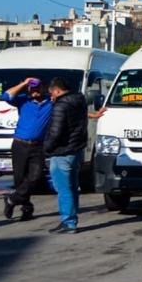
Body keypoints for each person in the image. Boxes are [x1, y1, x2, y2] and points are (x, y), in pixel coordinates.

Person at [1, 76, 52, 221]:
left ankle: (11, 199)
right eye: (32, 89)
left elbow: (68, 109)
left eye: (37, 89)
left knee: (35, 177)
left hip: (38, 145)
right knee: (20, 179)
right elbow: (6, 95)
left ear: (43, 88)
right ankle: (27, 209)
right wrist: (23, 83)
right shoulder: (23, 100)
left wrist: (92, 115)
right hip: (20, 144)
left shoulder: (50, 102)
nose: (34, 92)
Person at [43, 76, 88, 234]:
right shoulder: (79, 101)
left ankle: (68, 221)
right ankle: (71, 218)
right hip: (75, 149)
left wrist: (46, 148)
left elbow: (56, 132)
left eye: (52, 94)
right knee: (72, 186)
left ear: (57, 90)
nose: (51, 97)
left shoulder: (60, 106)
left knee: (63, 188)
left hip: (61, 151)